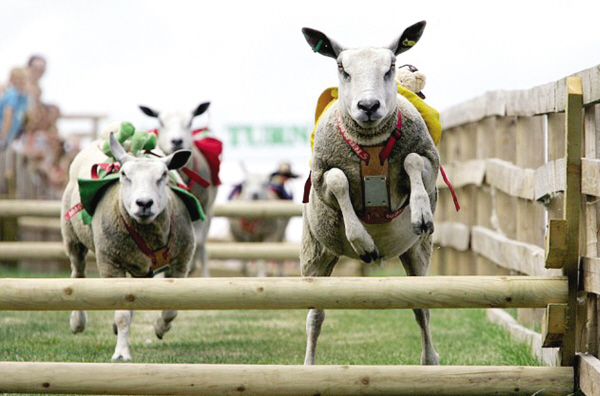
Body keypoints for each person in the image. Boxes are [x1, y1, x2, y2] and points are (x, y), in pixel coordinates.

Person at [0, 67, 29, 150]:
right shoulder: (12, 94)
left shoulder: (23, 97)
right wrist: (3, 136)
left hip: (10, 135)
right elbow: (8, 114)